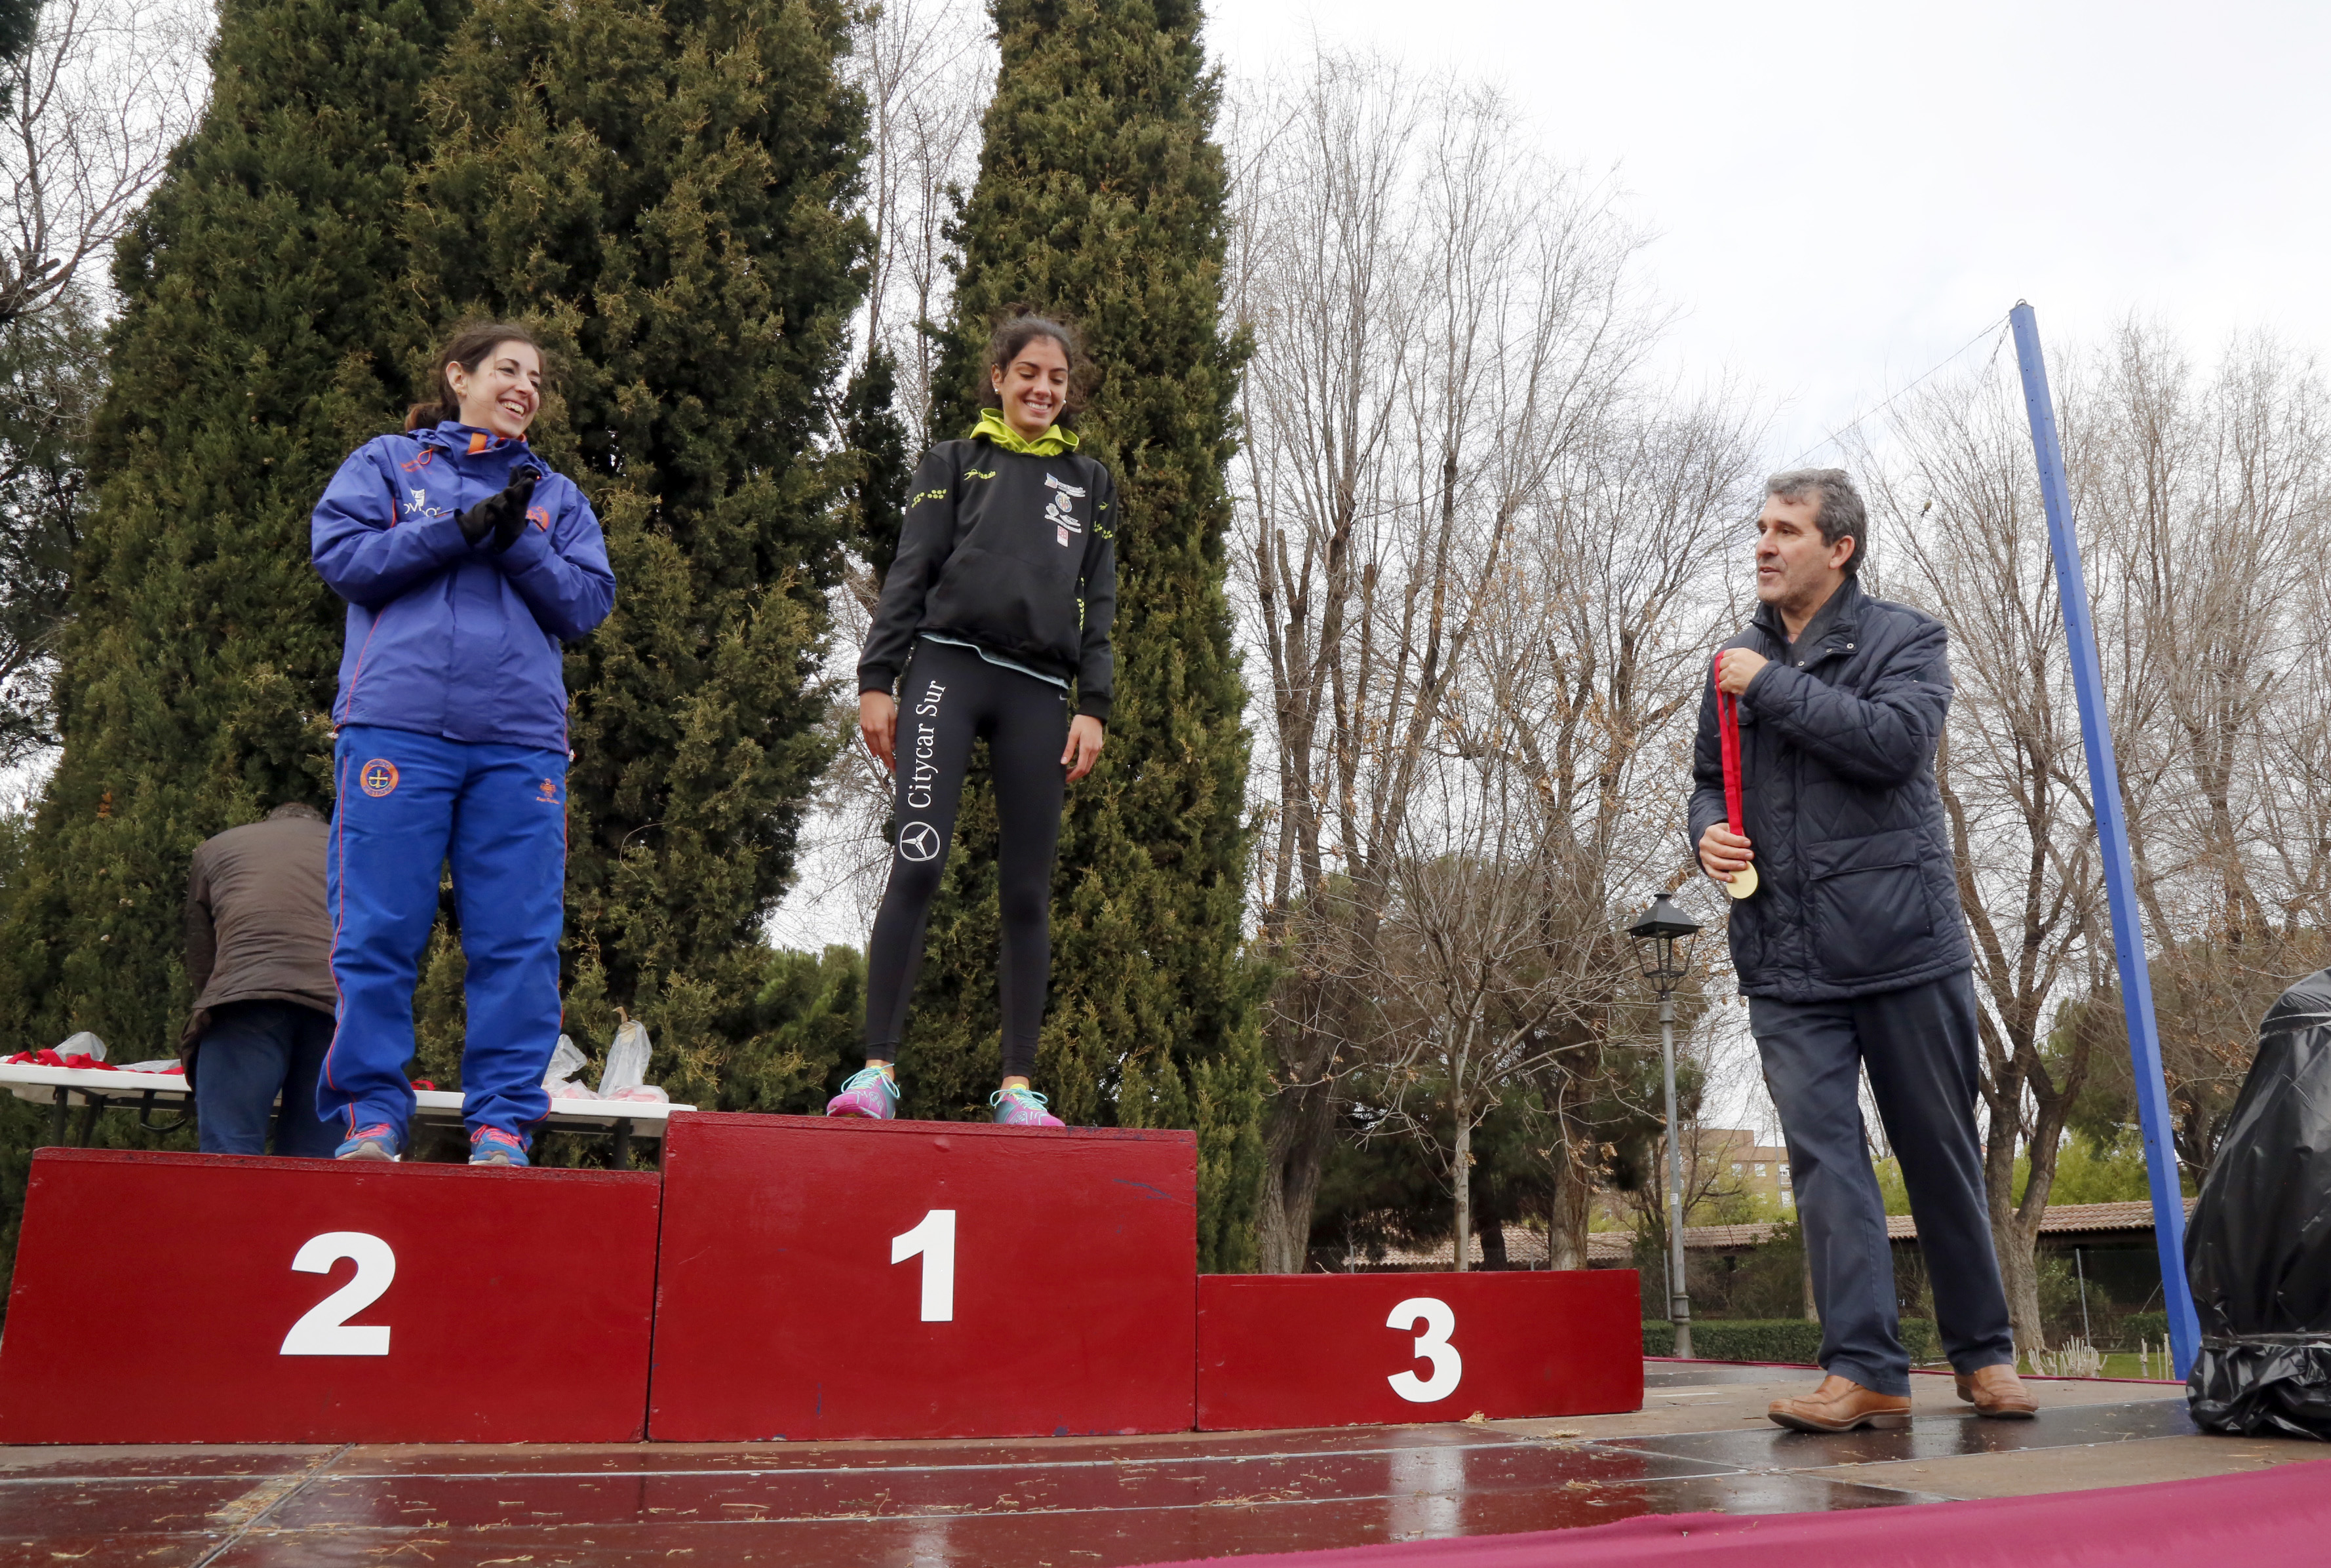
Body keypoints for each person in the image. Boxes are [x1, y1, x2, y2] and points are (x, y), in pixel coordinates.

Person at [1691, 468, 2038, 1432]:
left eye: (1786, 530)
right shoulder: (1730, 663)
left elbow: (1894, 745)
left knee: (1939, 1155)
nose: (1764, 545)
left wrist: (1773, 687)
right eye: (1760, 527)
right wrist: (1707, 831)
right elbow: (1709, 778)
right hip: (1783, 958)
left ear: (1839, 549)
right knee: (1825, 1164)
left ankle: (1983, 1356)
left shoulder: (1906, 639)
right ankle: (1865, 1370)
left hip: (1903, 948)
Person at [309, 322, 615, 1166]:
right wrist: (455, 529)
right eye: (507, 370)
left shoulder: (557, 496)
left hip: (520, 745)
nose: (525, 387)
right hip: (396, 728)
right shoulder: (387, 463)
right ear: (458, 377)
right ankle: (372, 1118)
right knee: (376, 931)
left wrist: (517, 541)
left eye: (537, 378)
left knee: (517, 942)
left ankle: (502, 1124)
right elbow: (344, 559)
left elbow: (586, 604)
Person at [836, 309, 1117, 1129]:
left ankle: (1018, 1090)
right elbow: (911, 571)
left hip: (1039, 691)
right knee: (917, 863)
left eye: (1057, 378)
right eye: (1028, 373)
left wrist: (1093, 705)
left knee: (1026, 890)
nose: (1042, 389)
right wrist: (877, 679)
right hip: (946, 671)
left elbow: (1099, 600)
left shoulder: (1090, 482)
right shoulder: (954, 462)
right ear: (998, 378)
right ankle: (876, 1075)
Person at [183, 803, 339, 1156]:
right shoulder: (350, 846)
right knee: (315, 1161)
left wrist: (212, 1001)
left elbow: (200, 944)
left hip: (244, 1002)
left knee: (230, 1149)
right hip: (334, 1007)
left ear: (268, 823)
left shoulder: (216, 847)